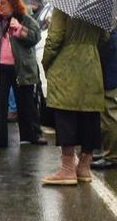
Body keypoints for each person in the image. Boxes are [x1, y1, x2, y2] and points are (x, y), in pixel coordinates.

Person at [40, 10, 107, 185]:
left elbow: (54, 38)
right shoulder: (99, 5)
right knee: (90, 114)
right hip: (92, 63)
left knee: (66, 114)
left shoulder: (64, 5)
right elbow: (105, 37)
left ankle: (68, 168)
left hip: (67, 64)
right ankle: (85, 166)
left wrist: (46, 63)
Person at [0, 0, 44, 149]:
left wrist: (20, 28)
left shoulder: (26, 20)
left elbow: (35, 37)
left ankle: (32, 135)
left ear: (13, 4)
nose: (0, 6)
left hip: (21, 68)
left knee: (26, 103)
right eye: (0, 3)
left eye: (4, 3)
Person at [91, 23, 117, 170]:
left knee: (110, 112)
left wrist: (97, 52)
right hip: (115, 68)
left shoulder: (110, 11)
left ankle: (113, 157)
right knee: (109, 112)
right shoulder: (115, 8)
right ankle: (110, 152)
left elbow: (112, 42)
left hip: (112, 70)